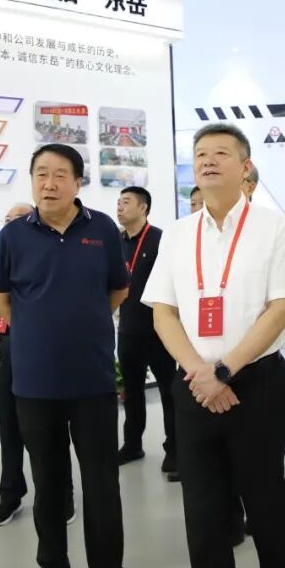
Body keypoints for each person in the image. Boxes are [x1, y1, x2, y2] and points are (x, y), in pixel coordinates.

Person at [144, 122, 285, 568]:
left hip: (256, 384)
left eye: (220, 153)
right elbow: (163, 312)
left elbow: (280, 309)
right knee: (202, 508)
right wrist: (201, 372)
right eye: (201, 155)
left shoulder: (275, 228)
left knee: (266, 501)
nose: (208, 161)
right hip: (194, 384)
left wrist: (224, 371)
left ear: (245, 166)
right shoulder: (178, 234)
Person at [0, 144, 129, 568]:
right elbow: (0, 298)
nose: (49, 184)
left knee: (102, 484)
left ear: (78, 182)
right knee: (47, 484)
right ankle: (52, 560)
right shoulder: (13, 236)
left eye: (60, 174)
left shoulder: (102, 229)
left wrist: (82, 323)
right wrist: (39, 331)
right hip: (35, 382)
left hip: (93, 380)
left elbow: (118, 290)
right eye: (41, 174)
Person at [0, 203, 78, 527]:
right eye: (7, 220)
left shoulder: (51, 256)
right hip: (6, 350)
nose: (11, 225)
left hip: (45, 351)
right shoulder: (0, 259)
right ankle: (11, 494)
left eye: (18, 219)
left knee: (50, 428)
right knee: (9, 426)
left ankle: (62, 496)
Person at [115, 186, 178, 480]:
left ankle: (174, 448)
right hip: (128, 328)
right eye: (119, 202)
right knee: (132, 390)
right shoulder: (117, 242)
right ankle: (132, 444)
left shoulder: (160, 240)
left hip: (159, 330)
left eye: (126, 202)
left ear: (143, 207)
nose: (119, 207)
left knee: (169, 391)